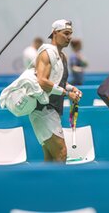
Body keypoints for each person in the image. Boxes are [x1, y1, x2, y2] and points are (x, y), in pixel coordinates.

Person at [28, 19, 82, 162]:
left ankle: (45, 185)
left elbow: (58, 80)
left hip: (51, 110)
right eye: (66, 33)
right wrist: (66, 93)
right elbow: (42, 81)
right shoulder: (46, 53)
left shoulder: (62, 56)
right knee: (61, 153)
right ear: (55, 33)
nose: (69, 37)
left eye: (70, 34)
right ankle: (61, 184)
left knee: (51, 157)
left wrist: (71, 88)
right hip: (42, 110)